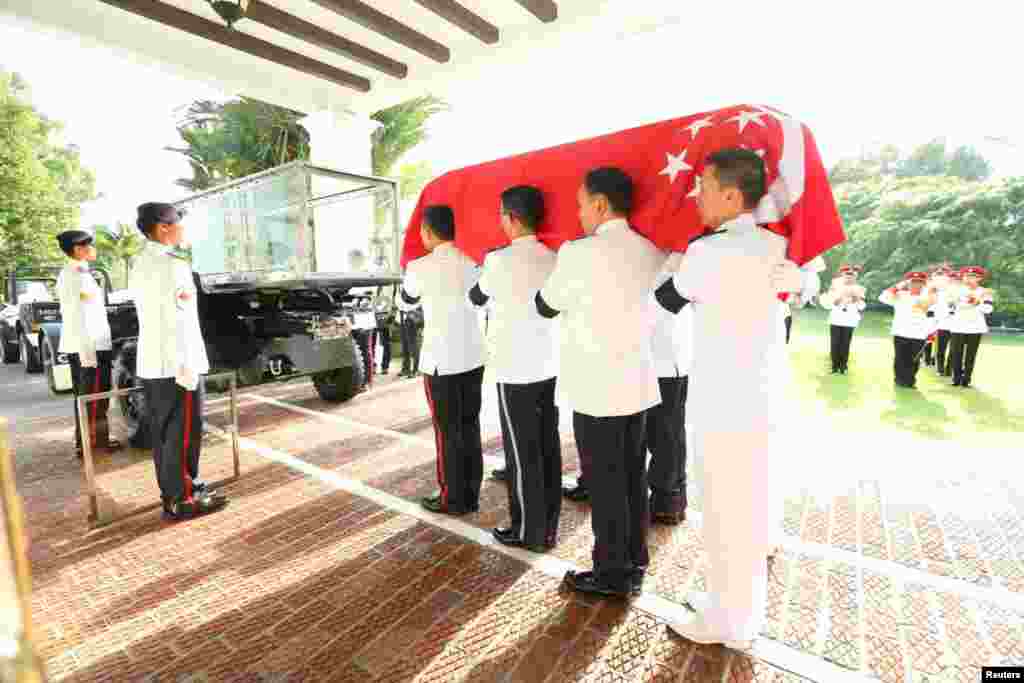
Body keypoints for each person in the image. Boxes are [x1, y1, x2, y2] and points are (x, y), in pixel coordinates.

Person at [653, 148, 803, 649]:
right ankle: (726, 604)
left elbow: (668, 299)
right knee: (743, 507)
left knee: (724, 509)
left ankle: (731, 625)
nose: (696, 194)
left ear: (732, 196)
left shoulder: (708, 251)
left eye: (704, 186)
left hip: (724, 400)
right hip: (757, 394)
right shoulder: (773, 247)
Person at [535, 167, 662, 598]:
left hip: (596, 386)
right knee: (631, 477)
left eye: (581, 204)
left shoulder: (578, 252)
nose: (579, 212)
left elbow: (546, 304)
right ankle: (633, 561)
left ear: (601, 204)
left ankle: (610, 573)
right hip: (638, 382)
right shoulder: (649, 249)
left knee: (606, 484)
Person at [468, 185, 561, 552]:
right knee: (547, 447)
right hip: (548, 365)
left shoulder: (498, 260)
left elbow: (476, 296)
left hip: (513, 369)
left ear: (512, 218)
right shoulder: (554, 256)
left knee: (522, 454)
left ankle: (529, 531)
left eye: (501, 214)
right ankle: (548, 526)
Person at [130, 203, 226, 519]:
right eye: (177, 223)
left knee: (165, 434)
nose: (181, 229)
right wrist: (184, 363)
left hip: (157, 363)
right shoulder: (170, 265)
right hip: (176, 364)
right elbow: (177, 319)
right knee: (182, 433)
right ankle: (183, 498)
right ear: (162, 228)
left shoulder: (143, 261)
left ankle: (177, 491)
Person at [401, 205, 487, 515]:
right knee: (470, 426)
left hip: (441, 361)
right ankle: (472, 492)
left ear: (427, 232)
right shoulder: (474, 264)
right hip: (474, 358)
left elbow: (406, 299)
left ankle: (453, 497)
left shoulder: (419, 267)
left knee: (447, 431)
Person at [55, 229, 121, 457]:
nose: (92, 249)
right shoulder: (73, 275)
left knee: (92, 397)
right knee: (93, 398)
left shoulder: (80, 273)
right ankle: (92, 445)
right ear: (78, 249)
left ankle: (91, 441)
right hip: (88, 347)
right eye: (88, 245)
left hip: (90, 345)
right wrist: (87, 351)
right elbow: (77, 315)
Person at [645, 253, 692, 525]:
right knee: (666, 433)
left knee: (666, 435)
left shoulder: (678, 258)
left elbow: (663, 302)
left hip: (668, 359)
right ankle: (668, 497)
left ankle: (668, 500)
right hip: (659, 356)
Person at [878, 271, 936, 389]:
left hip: (919, 333)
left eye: (919, 282)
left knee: (914, 359)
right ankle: (899, 380)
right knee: (900, 358)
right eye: (913, 282)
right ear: (908, 284)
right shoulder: (900, 295)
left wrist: (931, 331)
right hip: (901, 331)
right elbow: (882, 297)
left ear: (923, 284)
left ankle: (910, 381)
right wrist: (899, 285)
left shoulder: (929, 298)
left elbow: (934, 315)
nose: (916, 285)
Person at [948, 266, 994, 388]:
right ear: (963, 278)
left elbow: (988, 309)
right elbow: (951, 307)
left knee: (970, 355)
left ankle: (966, 379)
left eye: (973, 277)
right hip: (958, 326)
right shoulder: (956, 291)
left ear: (979, 278)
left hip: (976, 327)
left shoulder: (985, 292)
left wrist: (977, 303)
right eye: (967, 276)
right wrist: (962, 303)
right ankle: (956, 378)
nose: (970, 279)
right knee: (956, 353)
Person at [819, 265, 866, 374]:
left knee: (845, 344)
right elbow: (826, 304)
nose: (849, 277)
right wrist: (835, 301)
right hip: (836, 319)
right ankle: (834, 366)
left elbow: (862, 307)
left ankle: (843, 366)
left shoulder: (860, 289)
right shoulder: (835, 287)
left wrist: (857, 300)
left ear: (855, 277)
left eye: (852, 275)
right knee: (834, 344)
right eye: (847, 275)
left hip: (850, 321)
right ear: (843, 275)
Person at [932, 266, 958, 376]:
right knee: (940, 349)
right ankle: (940, 368)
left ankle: (949, 369)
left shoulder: (960, 292)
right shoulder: (941, 293)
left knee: (954, 350)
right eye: (951, 279)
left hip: (957, 325)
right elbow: (937, 308)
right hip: (943, 323)